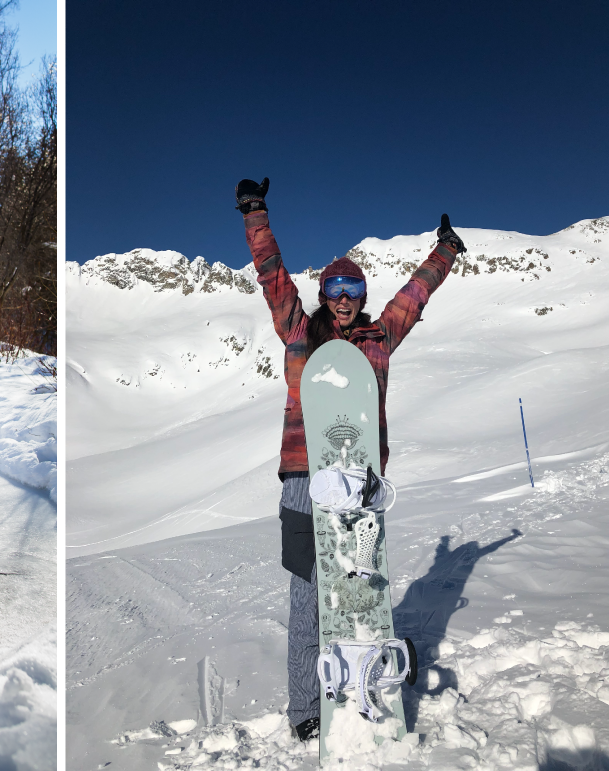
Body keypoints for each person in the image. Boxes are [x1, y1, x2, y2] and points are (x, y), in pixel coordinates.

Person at [235, 177, 465, 742]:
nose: (342, 297)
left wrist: (445, 253)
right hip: (301, 479)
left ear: (361, 296)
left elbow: (414, 296)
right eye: (334, 287)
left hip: (361, 483)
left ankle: (368, 686)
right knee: (308, 598)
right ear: (322, 292)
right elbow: (271, 274)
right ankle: (306, 708)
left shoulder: (378, 338)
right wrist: (256, 214)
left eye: (352, 288)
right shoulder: (297, 329)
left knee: (360, 591)